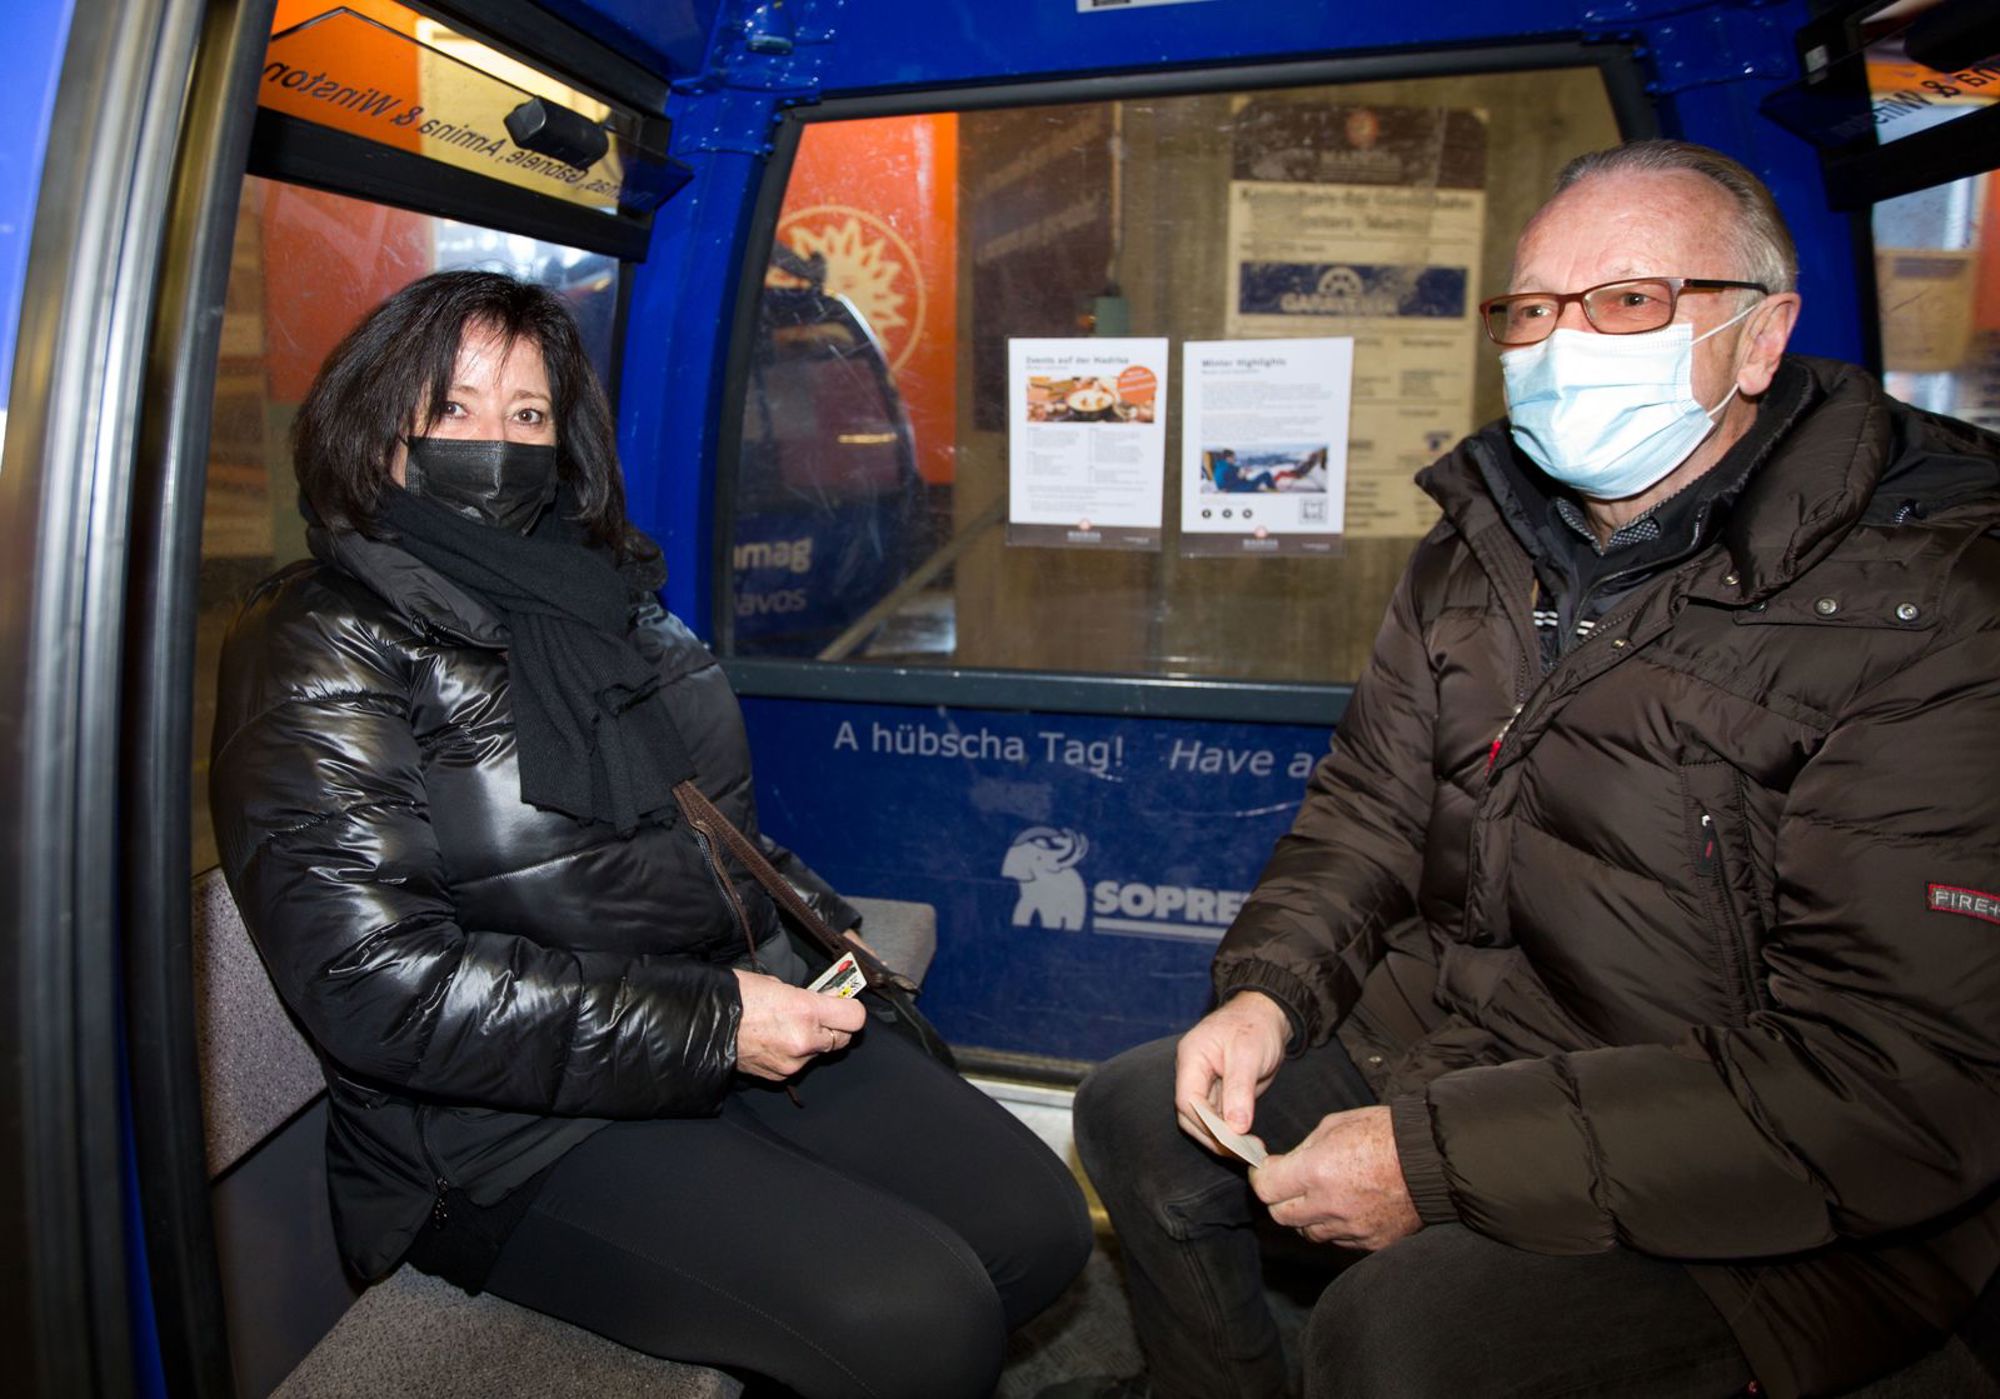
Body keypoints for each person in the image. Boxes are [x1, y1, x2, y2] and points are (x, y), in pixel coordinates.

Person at [1059, 140, 2000, 1399]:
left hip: (1758, 1153)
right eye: (1532, 311)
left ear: (1760, 338)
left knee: (1402, 1336)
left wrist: (1431, 1159)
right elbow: (1367, 812)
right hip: (1476, 1041)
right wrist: (1266, 993)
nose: (1562, 346)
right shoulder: (1478, 546)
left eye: (1627, 301)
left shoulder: (1932, 601)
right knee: (1137, 1116)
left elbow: (1894, 1079)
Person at [210, 269, 1090, 1399]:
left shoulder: (601, 591)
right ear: (369, 425)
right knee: (920, 1317)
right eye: (452, 409)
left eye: (527, 413)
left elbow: (706, 830)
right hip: (498, 1129)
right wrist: (714, 1022)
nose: (495, 442)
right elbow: (377, 987)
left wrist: (818, 948)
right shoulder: (319, 639)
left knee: (1037, 1222)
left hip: (701, 1018)